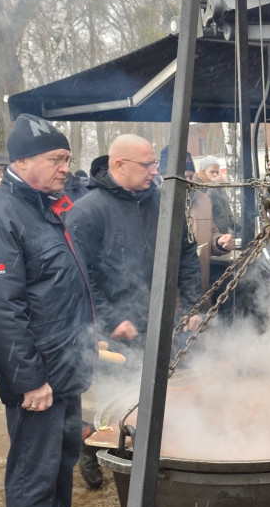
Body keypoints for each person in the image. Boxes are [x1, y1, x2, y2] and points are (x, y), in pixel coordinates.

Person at [0, 114, 115, 507]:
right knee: (33, 472)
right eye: (56, 159)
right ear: (22, 161)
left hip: (65, 364)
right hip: (37, 374)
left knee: (63, 459)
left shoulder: (47, 205)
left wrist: (88, 333)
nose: (65, 167)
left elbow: (61, 283)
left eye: (67, 158)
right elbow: (0, 308)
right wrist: (29, 379)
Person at [68, 136, 203, 486]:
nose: (154, 171)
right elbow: (80, 275)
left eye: (154, 164)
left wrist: (192, 305)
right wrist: (111, 319)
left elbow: (186, 254)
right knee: (122, 400)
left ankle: (161, 464)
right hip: (115, 330)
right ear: (119, 165)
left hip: (163, 320)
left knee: (165, 392)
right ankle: (98, 453)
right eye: (147, 165)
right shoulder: (87, 211)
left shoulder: (165, 202)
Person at [160, 146, 235, 291]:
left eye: (190, 177)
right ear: (163, 176)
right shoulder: (154, 202)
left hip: (200, 287)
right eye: (183, 177)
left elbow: (211, 233)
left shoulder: (203, 200)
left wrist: (219, 241)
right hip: (168, 290)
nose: (188, 183)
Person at [196, 155, 239, 236]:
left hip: (223, 231)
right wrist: (214, 185)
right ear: (203, 172)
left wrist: (234, 224)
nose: (215, 175)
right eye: (212, 172)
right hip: (209, 233)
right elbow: (204, 204)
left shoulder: (218, 185)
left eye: (217, 172)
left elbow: (226, 206)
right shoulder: (197, 185)